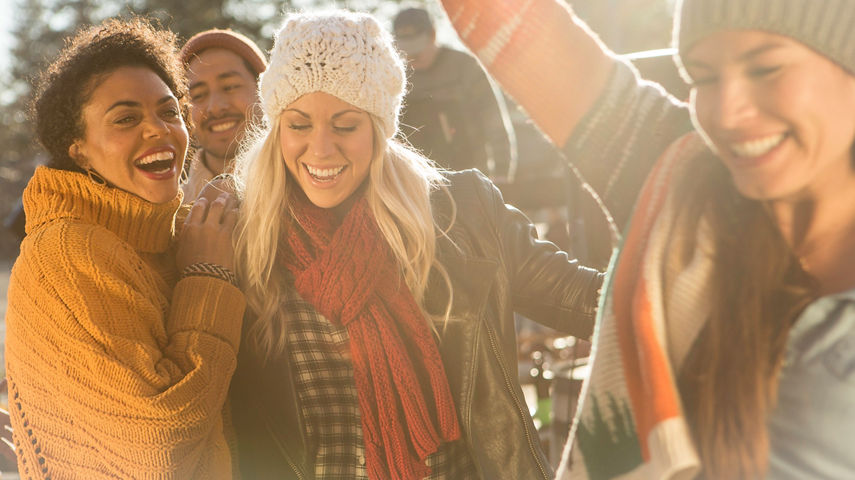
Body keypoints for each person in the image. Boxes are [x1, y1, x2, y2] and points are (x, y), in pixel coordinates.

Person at [438, 0, 855, 478]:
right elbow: (502, 17)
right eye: (702, 77)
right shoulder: (678, 181)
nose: (728, 111)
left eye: (766, 67)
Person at [226, 10, 603, 480]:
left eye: (345, 125)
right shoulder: (240, 237)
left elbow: (590, 302)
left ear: (380, 130)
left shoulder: (461, 215)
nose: (320, 149)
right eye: (299, 125)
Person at [5, 18, 245, 478]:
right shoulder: (67, 250)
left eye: (169, 111)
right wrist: (209, 278)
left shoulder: (171, 236)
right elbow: (158, 445)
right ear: (79, 151)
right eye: (126, 118)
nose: (158, 130)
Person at [392, 7, 516, 180]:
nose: (413, 56)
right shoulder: (398, 79)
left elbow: (494, 121)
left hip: (472, 175)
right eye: (406, 51)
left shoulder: (465, 68)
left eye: (417, 49)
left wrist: (502, 173)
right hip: (420, 180)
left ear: (433, 35)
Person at [180, 29, 267, 202]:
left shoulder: (308, 193)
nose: (215, 107)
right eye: (198, 95)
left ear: (264, 90)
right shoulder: (167, 213)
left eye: (230, 86)